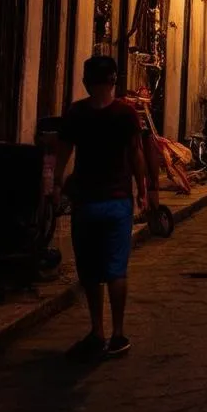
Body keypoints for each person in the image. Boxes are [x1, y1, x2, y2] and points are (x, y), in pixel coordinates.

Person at [53, 55, 148, 361]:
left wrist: (55, 186)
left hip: (86, 202)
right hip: (117, 201)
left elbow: (62, 153)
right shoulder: (125, 113)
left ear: (85, 81)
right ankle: (118, 334)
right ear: (114, 80)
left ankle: (97, 330)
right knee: (116, 270)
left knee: (91, 271)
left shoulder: (76, 113)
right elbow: (136, 153)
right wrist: (145, 190)